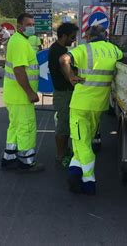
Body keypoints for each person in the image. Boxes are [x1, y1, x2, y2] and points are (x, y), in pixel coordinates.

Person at [60, 25, 123, 195]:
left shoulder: (83, 49)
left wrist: (71, 76)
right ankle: (74, 174)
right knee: (82, 142)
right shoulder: (115, 50)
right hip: (99, 106)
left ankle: (88, 181)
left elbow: (63, 59)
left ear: (88, 37)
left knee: (83, 144)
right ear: (106, 35)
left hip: (80, 104)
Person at [1, 13, 44, 173]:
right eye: (29, 24)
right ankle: (26, 162)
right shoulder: (19, 42)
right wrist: (30, 92)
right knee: (26, 127)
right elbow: (19, 70)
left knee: (15, 126)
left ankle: (9, 157)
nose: (32, 27)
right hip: (21, 96)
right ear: (20, 26)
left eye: (33, 24)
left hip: (14, 95)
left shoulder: (20, 40)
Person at [48, 22, 78, 167]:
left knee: (65, 124)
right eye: (72, 37)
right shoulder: (58, 51)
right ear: (64, 36)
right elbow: (67, 74)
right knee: (63, 124)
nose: (74, 40)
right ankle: (60, 155)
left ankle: (64, 151)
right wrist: (76, 79)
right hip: (63, 93)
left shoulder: (59, 48)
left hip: (64, 92)